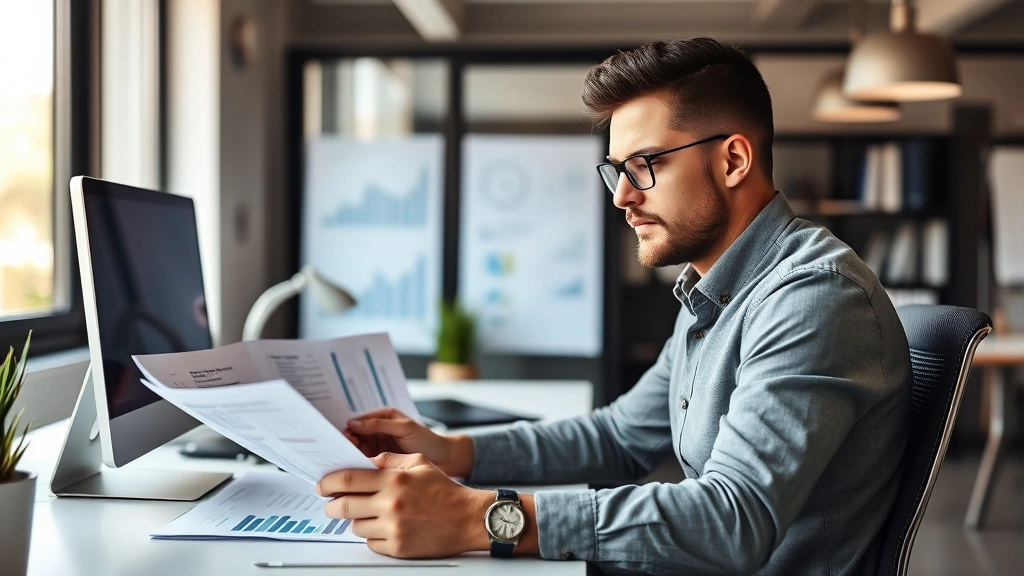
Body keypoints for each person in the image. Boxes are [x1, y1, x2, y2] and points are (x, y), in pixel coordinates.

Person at [315, 37, 911, 575]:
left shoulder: (813, 297)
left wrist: (481, 518)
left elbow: (734, 520)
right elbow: (621, 436)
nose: (623, 196)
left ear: (733, 160)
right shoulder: (715, 289)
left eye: (645, 165)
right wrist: (452, 451)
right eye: (616, 171)